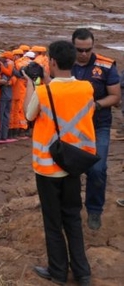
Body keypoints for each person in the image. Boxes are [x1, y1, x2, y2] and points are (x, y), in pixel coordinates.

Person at [24, 40, 94, 286]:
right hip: (74, 163)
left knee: (53, 222)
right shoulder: (87, 88)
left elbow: (28, 114)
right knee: (73, 218)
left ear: (52, 62)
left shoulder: (44, 91)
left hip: (47, 167)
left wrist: (31, 83)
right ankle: (82, 272)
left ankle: (58, 272)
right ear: (74, 60)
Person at [71, 27, 121, 231]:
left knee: (97, 169)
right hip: (71, 126)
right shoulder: (63, 63)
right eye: (79, 50)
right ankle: (71, 208)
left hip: (98, 124)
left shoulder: (106, 65)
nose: (84, 54)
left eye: (87, 49)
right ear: (72, 46)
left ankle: (94, 210)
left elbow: (116, 97)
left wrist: (96, 105)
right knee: (70, 168)